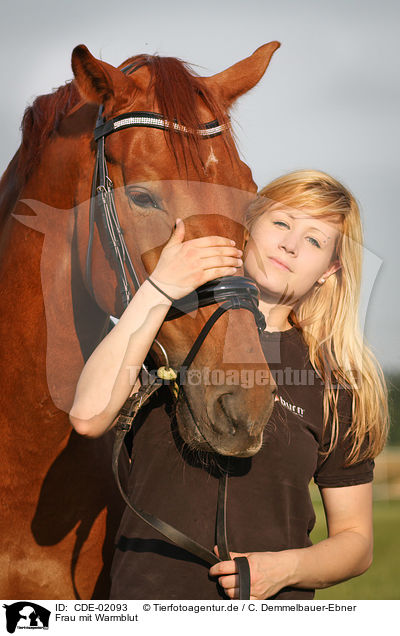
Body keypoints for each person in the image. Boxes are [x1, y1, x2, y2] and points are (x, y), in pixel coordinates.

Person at [69, 169, 388, 600]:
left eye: (313, 240)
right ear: (247, 225)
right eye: (281, 223)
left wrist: (285, 568)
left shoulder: (335, 383)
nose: (290, 245)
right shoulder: (164, 332)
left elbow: (356, 542)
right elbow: (88, 416)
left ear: (328, 270)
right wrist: (159, 290)